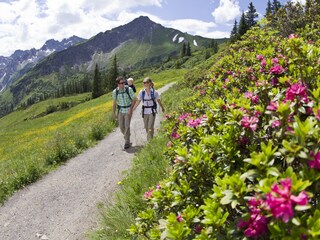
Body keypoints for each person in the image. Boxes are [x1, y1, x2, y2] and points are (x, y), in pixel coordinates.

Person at [112, 76, 137, 149]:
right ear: (117, 84)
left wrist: (130, 109)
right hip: (120, 111)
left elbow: (134, 100)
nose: (123, 84)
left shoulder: (128, 89)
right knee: (121, 127)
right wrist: (114, 114)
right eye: (121, 83)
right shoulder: (115, 92)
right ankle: (127, 135)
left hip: (128, 110)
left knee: (127, 126)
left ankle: (127, 141)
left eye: (124, 83)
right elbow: (114, 103)